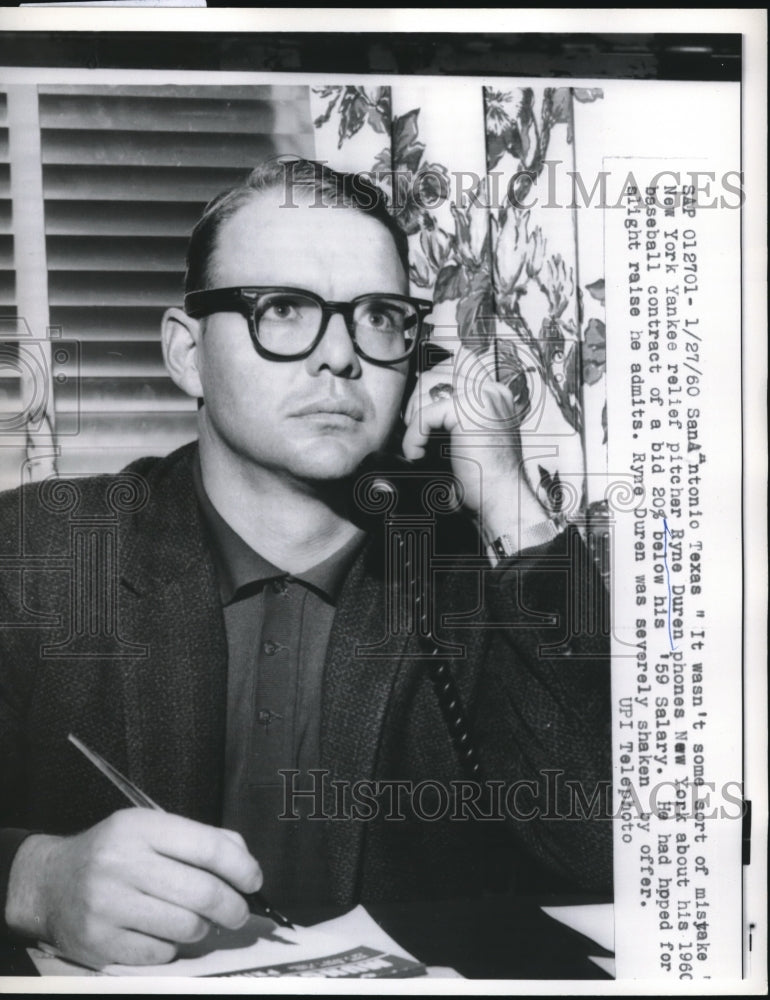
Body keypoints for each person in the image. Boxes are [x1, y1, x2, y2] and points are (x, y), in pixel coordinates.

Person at [0, 158, 611, 970]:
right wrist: (33, 878)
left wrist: (510, 504)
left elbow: (605, 853)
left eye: (379, 318)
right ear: (186, 353)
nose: (340, 358)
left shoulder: (470, 579)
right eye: (283, 309)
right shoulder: (41, 550)